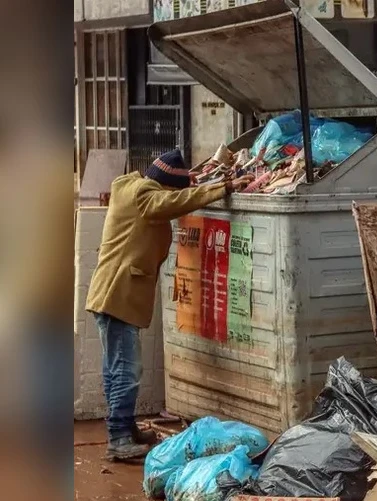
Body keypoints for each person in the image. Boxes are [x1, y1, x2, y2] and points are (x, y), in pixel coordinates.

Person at [86, 150, 252, 461]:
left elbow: (169, 199)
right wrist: (222, 188)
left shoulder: (131, 186)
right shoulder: (146, 196)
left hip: (110, 292)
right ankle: (119, 438)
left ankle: (122, 429)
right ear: (166, 186)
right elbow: (170, 204)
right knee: (126, 369)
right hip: (118, 294)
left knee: (115, 368)